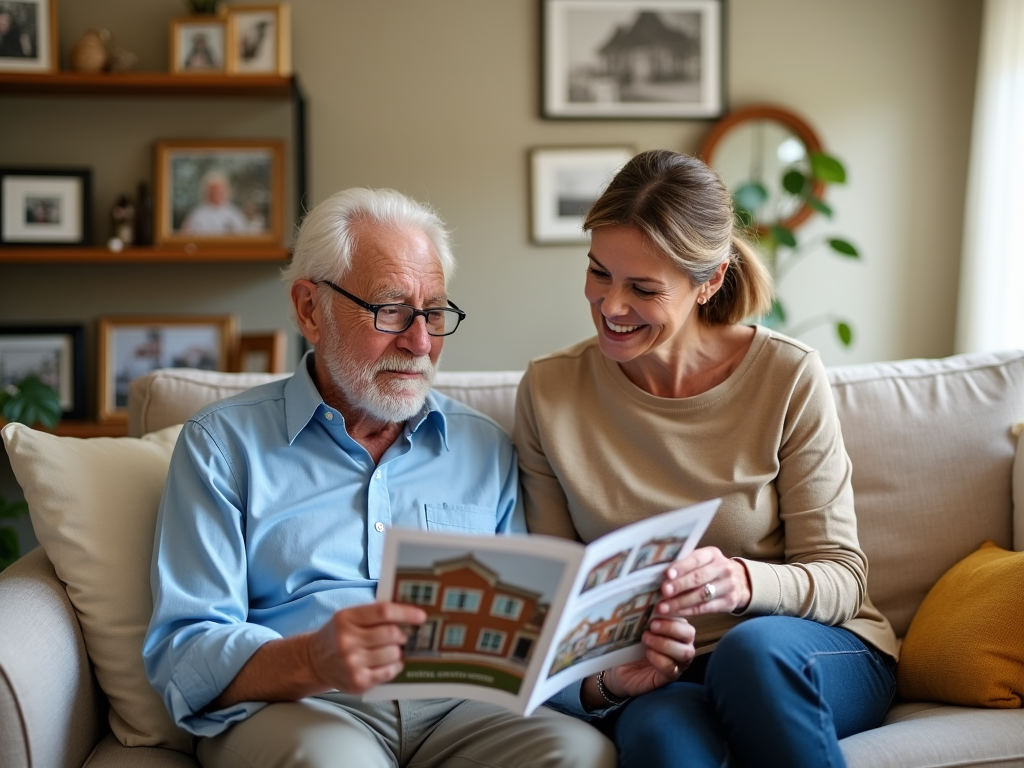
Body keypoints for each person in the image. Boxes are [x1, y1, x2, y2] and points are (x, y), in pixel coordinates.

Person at [143, 187, 616, 768]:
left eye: (435, 312)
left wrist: (606, 684)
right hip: (304, 701)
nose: (420, 343)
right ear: (309, 310)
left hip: (462, 711)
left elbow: (524, 642)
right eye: (390, 310)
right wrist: (312, 660)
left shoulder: (484, 445)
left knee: (579, 753)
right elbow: (184, 649)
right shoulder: (221, 445)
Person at [513, 149, 899, 768]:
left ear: (709, 281)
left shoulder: (787, 375)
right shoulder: (549, 391)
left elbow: (842, 578)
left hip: (807, 650)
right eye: (598, 273)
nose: (610, 306)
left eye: (642, 288)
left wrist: (743, 582)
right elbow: (558, 608)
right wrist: (609, 680)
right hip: (666, 672)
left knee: (751, 655)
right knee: (662, 740)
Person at [179, 171, 252, 235]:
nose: (217, 193)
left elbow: (242, 235)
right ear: (206, 192)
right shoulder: (196, 214)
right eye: (213, 191)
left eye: (220, 191)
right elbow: (185, 235)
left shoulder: (235, 213)